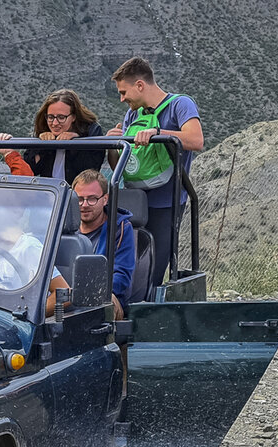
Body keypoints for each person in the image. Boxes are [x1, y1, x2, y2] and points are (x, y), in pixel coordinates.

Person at [106, 56, 203, 289]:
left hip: (166, 203)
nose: (122, 99)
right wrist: (113, 145)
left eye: (124, 92)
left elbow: (196, 140)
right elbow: (125, 165)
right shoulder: (132, 115)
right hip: (134, 201)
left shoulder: (180, 104)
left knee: (155, 267)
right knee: (127, 263)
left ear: (140, 85)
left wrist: (158, 133)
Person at [72, 169, 134, 319]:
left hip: (103, 296)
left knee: (107, 302)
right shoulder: (62, 228)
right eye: (79, 199)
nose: (85, 205)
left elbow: (122, 274)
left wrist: (96, 291)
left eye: (92, 199)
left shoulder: (120, 228)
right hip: (65, 295)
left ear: (105, 199)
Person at [20, 89, 105, 183]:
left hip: (79, 194)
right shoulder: (44, 130)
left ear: (73, 117)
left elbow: (91, 170)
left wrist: (75, 142)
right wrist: (42, 144)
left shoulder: (91, 132)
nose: (55, 123)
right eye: (51, 117)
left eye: (61, 118)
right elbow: (30, 170)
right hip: (50, 193)